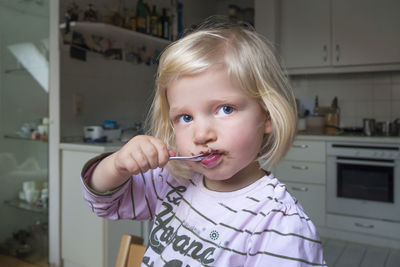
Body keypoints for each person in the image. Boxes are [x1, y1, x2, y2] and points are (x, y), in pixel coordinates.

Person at [81, 16, 326, 266]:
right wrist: (116, 165)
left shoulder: (279, 224)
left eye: (225, 109)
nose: (201, 135)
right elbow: (104, 203)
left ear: (267, 115)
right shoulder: (170, 181)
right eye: (185, 117)